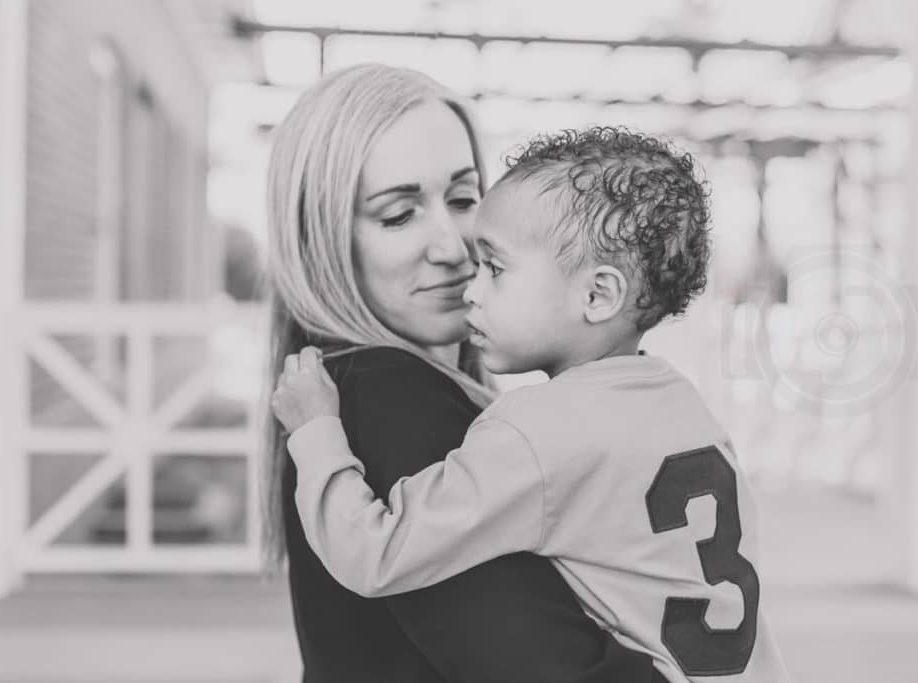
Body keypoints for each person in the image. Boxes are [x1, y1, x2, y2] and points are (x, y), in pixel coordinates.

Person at [272, 127, 791, 682]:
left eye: (495, 268)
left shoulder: (533, 434)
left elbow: (376, 554)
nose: (470, 285)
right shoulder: (684, 409)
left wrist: (317, 433)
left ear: (597, 295)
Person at [263, 64, 667, 683]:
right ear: (322, 240)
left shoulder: (354, 390)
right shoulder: (387, 395)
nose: (453, 247)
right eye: (398, 215)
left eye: (462, 199)